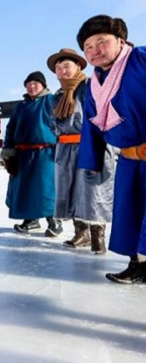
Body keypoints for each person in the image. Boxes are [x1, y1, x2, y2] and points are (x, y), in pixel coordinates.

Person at [76, 15, 146, 283]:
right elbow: (91, 124)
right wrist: (91, 160)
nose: (95, 51)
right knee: (131, 212)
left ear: (121, 40)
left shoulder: (140, 59)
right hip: (129, 158)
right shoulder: (93, 84)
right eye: (89, 47)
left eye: (101, 42)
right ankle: (137, 265)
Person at [47, 48, 115, 253]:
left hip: (91, 143)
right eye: (58, 69)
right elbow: (53, 124)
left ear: (78, 66)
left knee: (93, 190)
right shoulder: (57, 97)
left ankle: (97, 236)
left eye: (66, 66)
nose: (62, 71)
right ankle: (81, 232)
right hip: (66, 148)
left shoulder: (91, 87)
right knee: (71, 189)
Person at [1, 71, 62, 236]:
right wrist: (8, 150)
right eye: (28, 84)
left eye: (35, 83)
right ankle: (31, 220)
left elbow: (62, 123)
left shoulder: (51, 101)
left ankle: (54, 220)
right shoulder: (20, 106)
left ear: (43, 85)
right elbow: (11, 128)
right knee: (25, 187)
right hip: (23, 154)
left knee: (46, 187)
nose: (31, 87)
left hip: (46, 152)